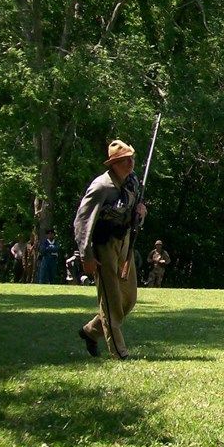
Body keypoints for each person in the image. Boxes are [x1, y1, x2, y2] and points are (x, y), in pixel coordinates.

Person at [73, 139, 147, 360]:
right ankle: (119, 353)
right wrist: (86, 256)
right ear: (113, 163)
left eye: (132, 159)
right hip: (104, 246)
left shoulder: (132, 182)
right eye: (125, 160)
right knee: (111, 302)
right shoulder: (101, 186)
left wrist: (141, 213)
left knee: (128, 299)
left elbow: (133, 213)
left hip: (124, 243)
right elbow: (82, 222)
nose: (130, 163)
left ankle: (90, 332)